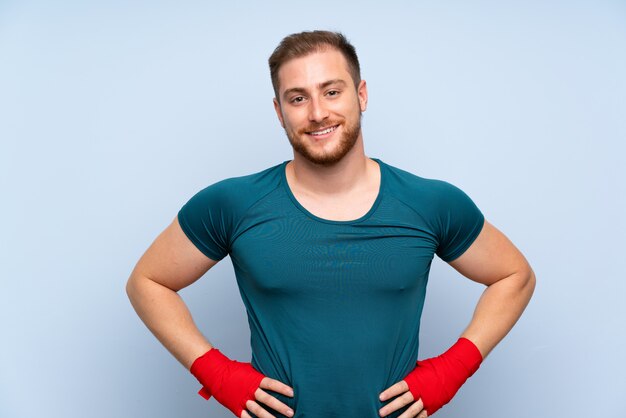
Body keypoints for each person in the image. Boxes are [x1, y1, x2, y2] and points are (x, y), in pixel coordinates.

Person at [126, 30, 536, 418]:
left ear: (361, 95)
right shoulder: (233, 203)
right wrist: (216, 373)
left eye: (332, 91)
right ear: (279, 111)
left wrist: (453, 368)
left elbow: (514, 276)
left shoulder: (430, 203)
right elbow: (148, 282)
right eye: (298, 98)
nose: (318, 113)